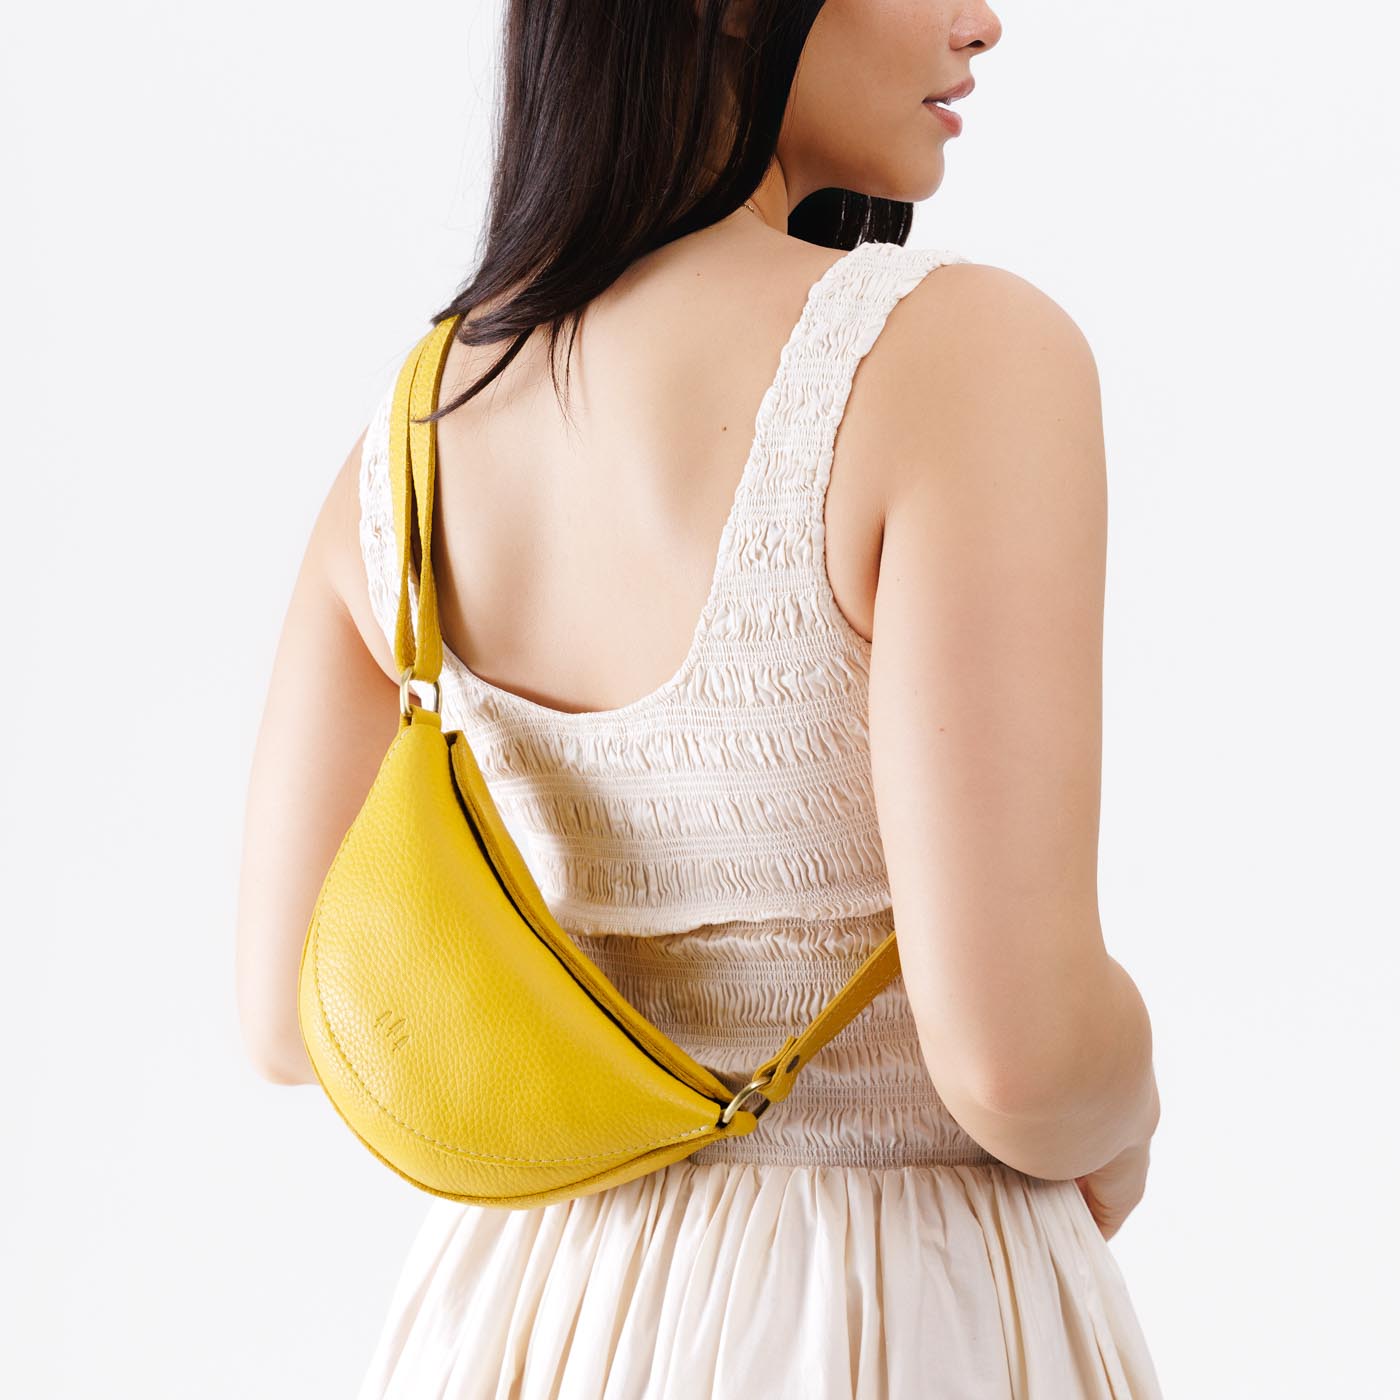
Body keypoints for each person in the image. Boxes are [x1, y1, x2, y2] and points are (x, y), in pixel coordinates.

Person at [235, 1, 1164, 1395]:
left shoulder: (419, 428)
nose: (983, 22)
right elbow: (1020, 1063)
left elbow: (286, 1013)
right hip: (882, 1307)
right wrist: (1126, 1108)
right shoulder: (958, 353)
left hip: (524, 1316)